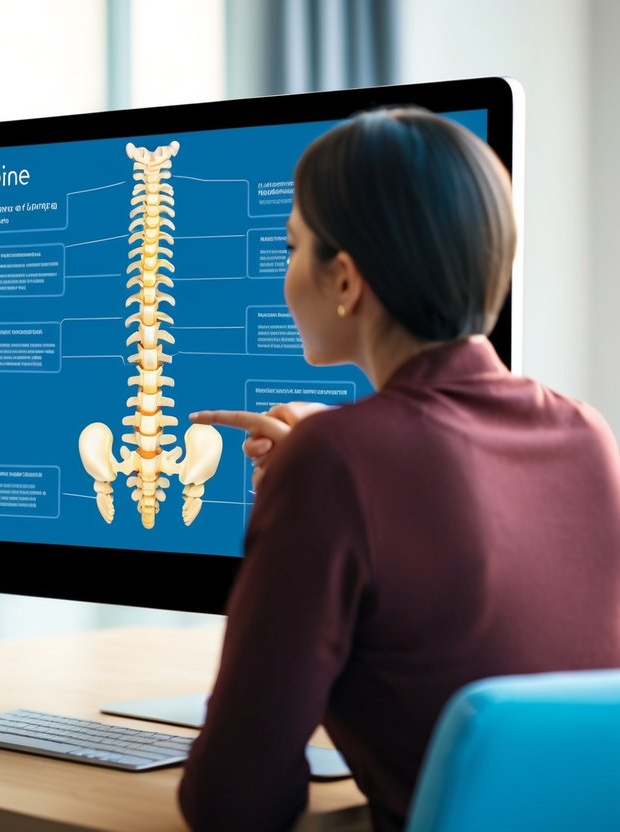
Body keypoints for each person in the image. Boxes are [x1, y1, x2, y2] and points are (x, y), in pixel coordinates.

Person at [177, 107, 620, 832]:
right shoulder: (585, 434)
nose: (285, 274)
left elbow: (232, 804)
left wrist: (322, 476)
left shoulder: (335, 464)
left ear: (344, 279)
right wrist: (336, 467)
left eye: (292, 247)